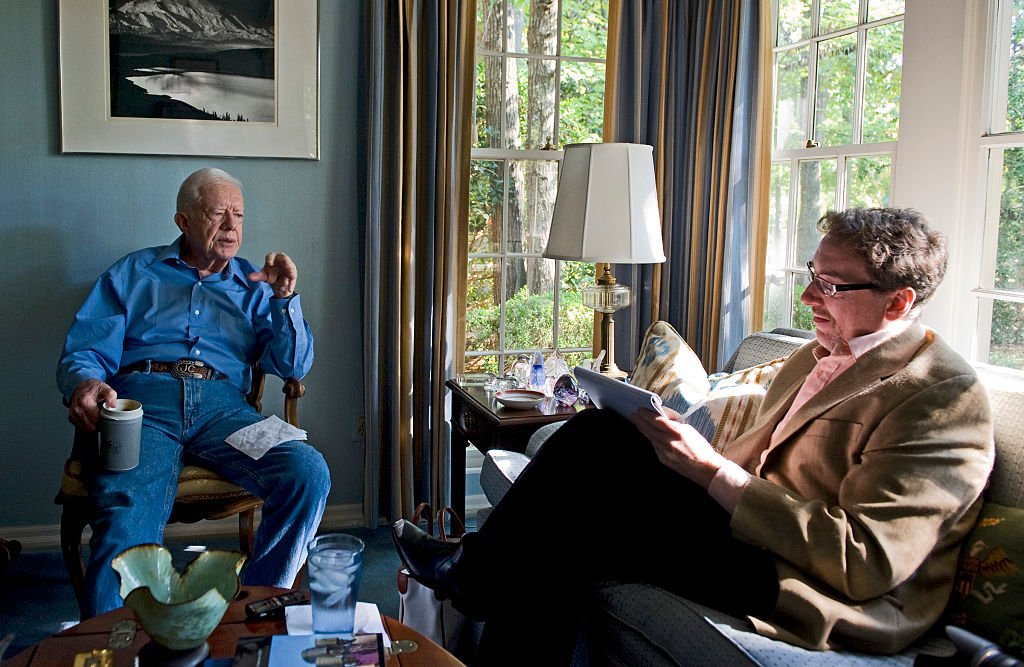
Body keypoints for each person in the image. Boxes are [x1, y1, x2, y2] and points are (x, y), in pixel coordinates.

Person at [393, 208, 995, 664]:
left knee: (592, 465)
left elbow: (868, 563)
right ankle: (473, 580)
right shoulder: (815, 355)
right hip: (751, 542)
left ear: (900, 302)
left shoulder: (940, 398)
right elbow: (753, 463)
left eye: (832, 286)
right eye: (813, 275)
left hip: (818, 585)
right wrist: (681, 453)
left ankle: (469, 574)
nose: (810, 295)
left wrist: (708, 470)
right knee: (582, 502)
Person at [57, 167, 331, 618]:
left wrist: (284, 298)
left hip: (225, 410)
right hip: (144, 402)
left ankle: (255, 606)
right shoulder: (133, 272)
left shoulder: (254, 285)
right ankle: (111, 642)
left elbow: (292, 365)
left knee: (307, 472)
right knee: (127, 513)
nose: (231, 226)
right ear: (183, 221)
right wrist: (86, 382)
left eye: (238, 216)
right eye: (217, 214)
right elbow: (85, 349)